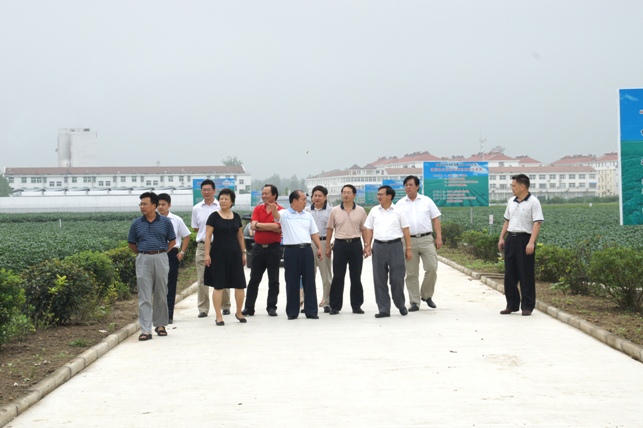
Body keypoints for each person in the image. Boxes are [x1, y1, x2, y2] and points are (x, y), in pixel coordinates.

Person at [127, 192, 176, 341]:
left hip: (161, 257)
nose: (142, 207)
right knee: (144, 295)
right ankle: (145, 330)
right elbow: (131, 243)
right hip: (143, 259)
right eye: (141, 204)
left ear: (154, 206)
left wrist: (162, 253)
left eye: (145, 204)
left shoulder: (165, 222)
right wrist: (143, 253)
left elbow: (172, 241)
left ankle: (160, 325)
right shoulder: (136, 223)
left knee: (161, 293)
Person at [268, 190, 323, 320]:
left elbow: (313, 232)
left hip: (307, 250)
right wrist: (274, 209)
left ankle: (311, 311)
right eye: (303, 199)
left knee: (309, 281)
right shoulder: (285, 214)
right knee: (292, 281)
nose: (305, 202)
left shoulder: (307, 215)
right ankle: (292, 312)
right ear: (294, 201)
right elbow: (276, 216)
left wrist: (319, 247)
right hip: (291, 251)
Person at [498, 174, 544, 316]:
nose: (512, 188)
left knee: (526, 274)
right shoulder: (511, 201)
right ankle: (511, 305)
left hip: (525, 240)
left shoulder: (534, 202)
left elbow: (537, 223)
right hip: (511, 239)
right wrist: (501, 238)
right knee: (509, 274)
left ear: (522, 187)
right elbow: (507, 220)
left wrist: (531, 242)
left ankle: (527, 306)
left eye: (514, 186)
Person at [363, 185, 412, 318]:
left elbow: (406, 230)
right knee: (379, 279)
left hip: (395, 246)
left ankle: (400, 304)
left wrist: (408, 249)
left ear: (389, 196)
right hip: (378, 247)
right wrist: (367, 245)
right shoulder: (374, 211)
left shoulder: (399, 211)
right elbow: (369, 229)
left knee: (397, 278)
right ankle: (384, 308)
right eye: (378, 194)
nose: (378, 196)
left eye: (381, 194)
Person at [395, 175, 443, 311]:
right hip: (408, 241)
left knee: (432, 268)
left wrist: (439, 237)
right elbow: (396, 223)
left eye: (411, 185)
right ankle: (414, 302)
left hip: (426, 239)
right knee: (411, 273)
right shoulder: (400, 204)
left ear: (417, 186)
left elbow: (435, 219)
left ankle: (426, 295)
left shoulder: (427, 201)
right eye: (406, 185)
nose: (408, 187)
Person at [204, 188, 248, 326]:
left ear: (232, 202)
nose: (223, 201)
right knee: (219, 286)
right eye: (221, 198)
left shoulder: (236, 217)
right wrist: (206, 254)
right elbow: (207, 236)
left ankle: (239, 312)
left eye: (226, 199)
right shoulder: (214, 217)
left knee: (239, 285)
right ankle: (218, 316)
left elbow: (240, 236)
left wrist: (243, 252)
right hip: (218, 255)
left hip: (235, 254)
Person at [326, 184, 367, 315]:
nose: (346, 195)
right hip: (340, 245)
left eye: (349, 192)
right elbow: (330, 229)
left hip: (355, 244)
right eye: (344, 192)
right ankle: (335, 306)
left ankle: (356, 306)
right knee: (338, 276)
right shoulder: (335, 210)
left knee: (356, 276)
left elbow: (364, 229)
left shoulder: (361, 211)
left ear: (354, 195)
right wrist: (327, 246)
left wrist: (367, 245)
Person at [242, 184, 283, 317]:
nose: (263, 196)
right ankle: (249, 308)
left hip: (273, 249)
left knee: (274, 280)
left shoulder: (281, 211)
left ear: (274, 195)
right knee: (254, 279)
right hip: (258, 248)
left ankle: (271, 307)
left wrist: (259, 225)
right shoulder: (258, 209)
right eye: (263, 193)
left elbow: (278, 227)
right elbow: (253, 226)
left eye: (266, 193)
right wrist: (270, 226)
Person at [192, 179, 231, 318]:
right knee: (202, 279)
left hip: (220, 245)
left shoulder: (221, 206)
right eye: (204, 190)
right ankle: (203, 308)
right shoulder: (196, 208)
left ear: (214, 191)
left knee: (223, 275)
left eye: (209, 189)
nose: (206, 192)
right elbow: (197, 228)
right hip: (203, 247)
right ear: (201, 191)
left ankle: (225, 305)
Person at [157, 193, 191, 324]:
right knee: (158, 284)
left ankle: (169, 315)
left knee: (170, 285)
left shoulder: (176, 220)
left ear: (169, 205)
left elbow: (186, 235)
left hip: (172, 254)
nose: (161, 207)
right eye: (159, 204)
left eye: (163, 204)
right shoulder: (152, 220)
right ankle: (159, 314)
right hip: (157, 254)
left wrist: (182, 252)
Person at [305, 185, 333, 313]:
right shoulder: (306, 211)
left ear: (325, 197)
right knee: (309, 275)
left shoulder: (331, 211)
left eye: (320, 196)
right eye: (315, 195)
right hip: (309, 243)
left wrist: (328, 246)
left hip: (323, 242)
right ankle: (309, 303)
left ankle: (327, 302)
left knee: (326, 276)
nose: (317, 198)